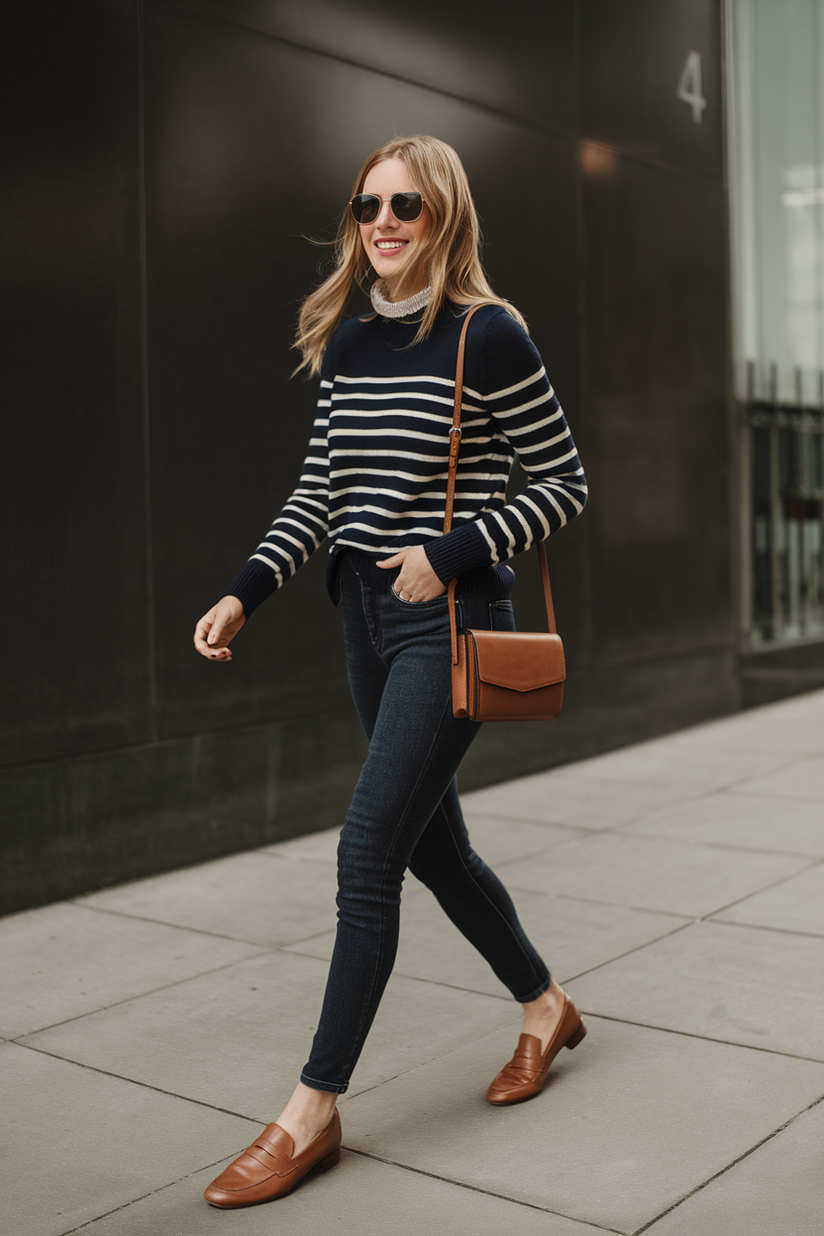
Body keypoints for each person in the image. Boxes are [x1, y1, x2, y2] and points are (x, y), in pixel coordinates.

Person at [193, 135, 588, 1209]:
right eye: (366, 203)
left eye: (405, 204)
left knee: (367, 850)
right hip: (361, 621)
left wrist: (449, 552)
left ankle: (311, 1109)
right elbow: (320, 492)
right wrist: (245, 589)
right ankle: (545, 1005)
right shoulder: (352, 337)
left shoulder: (487, 334)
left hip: (450, 622)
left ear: (443, 215)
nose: (382, 221)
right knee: (435, 850)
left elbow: (562, 482)